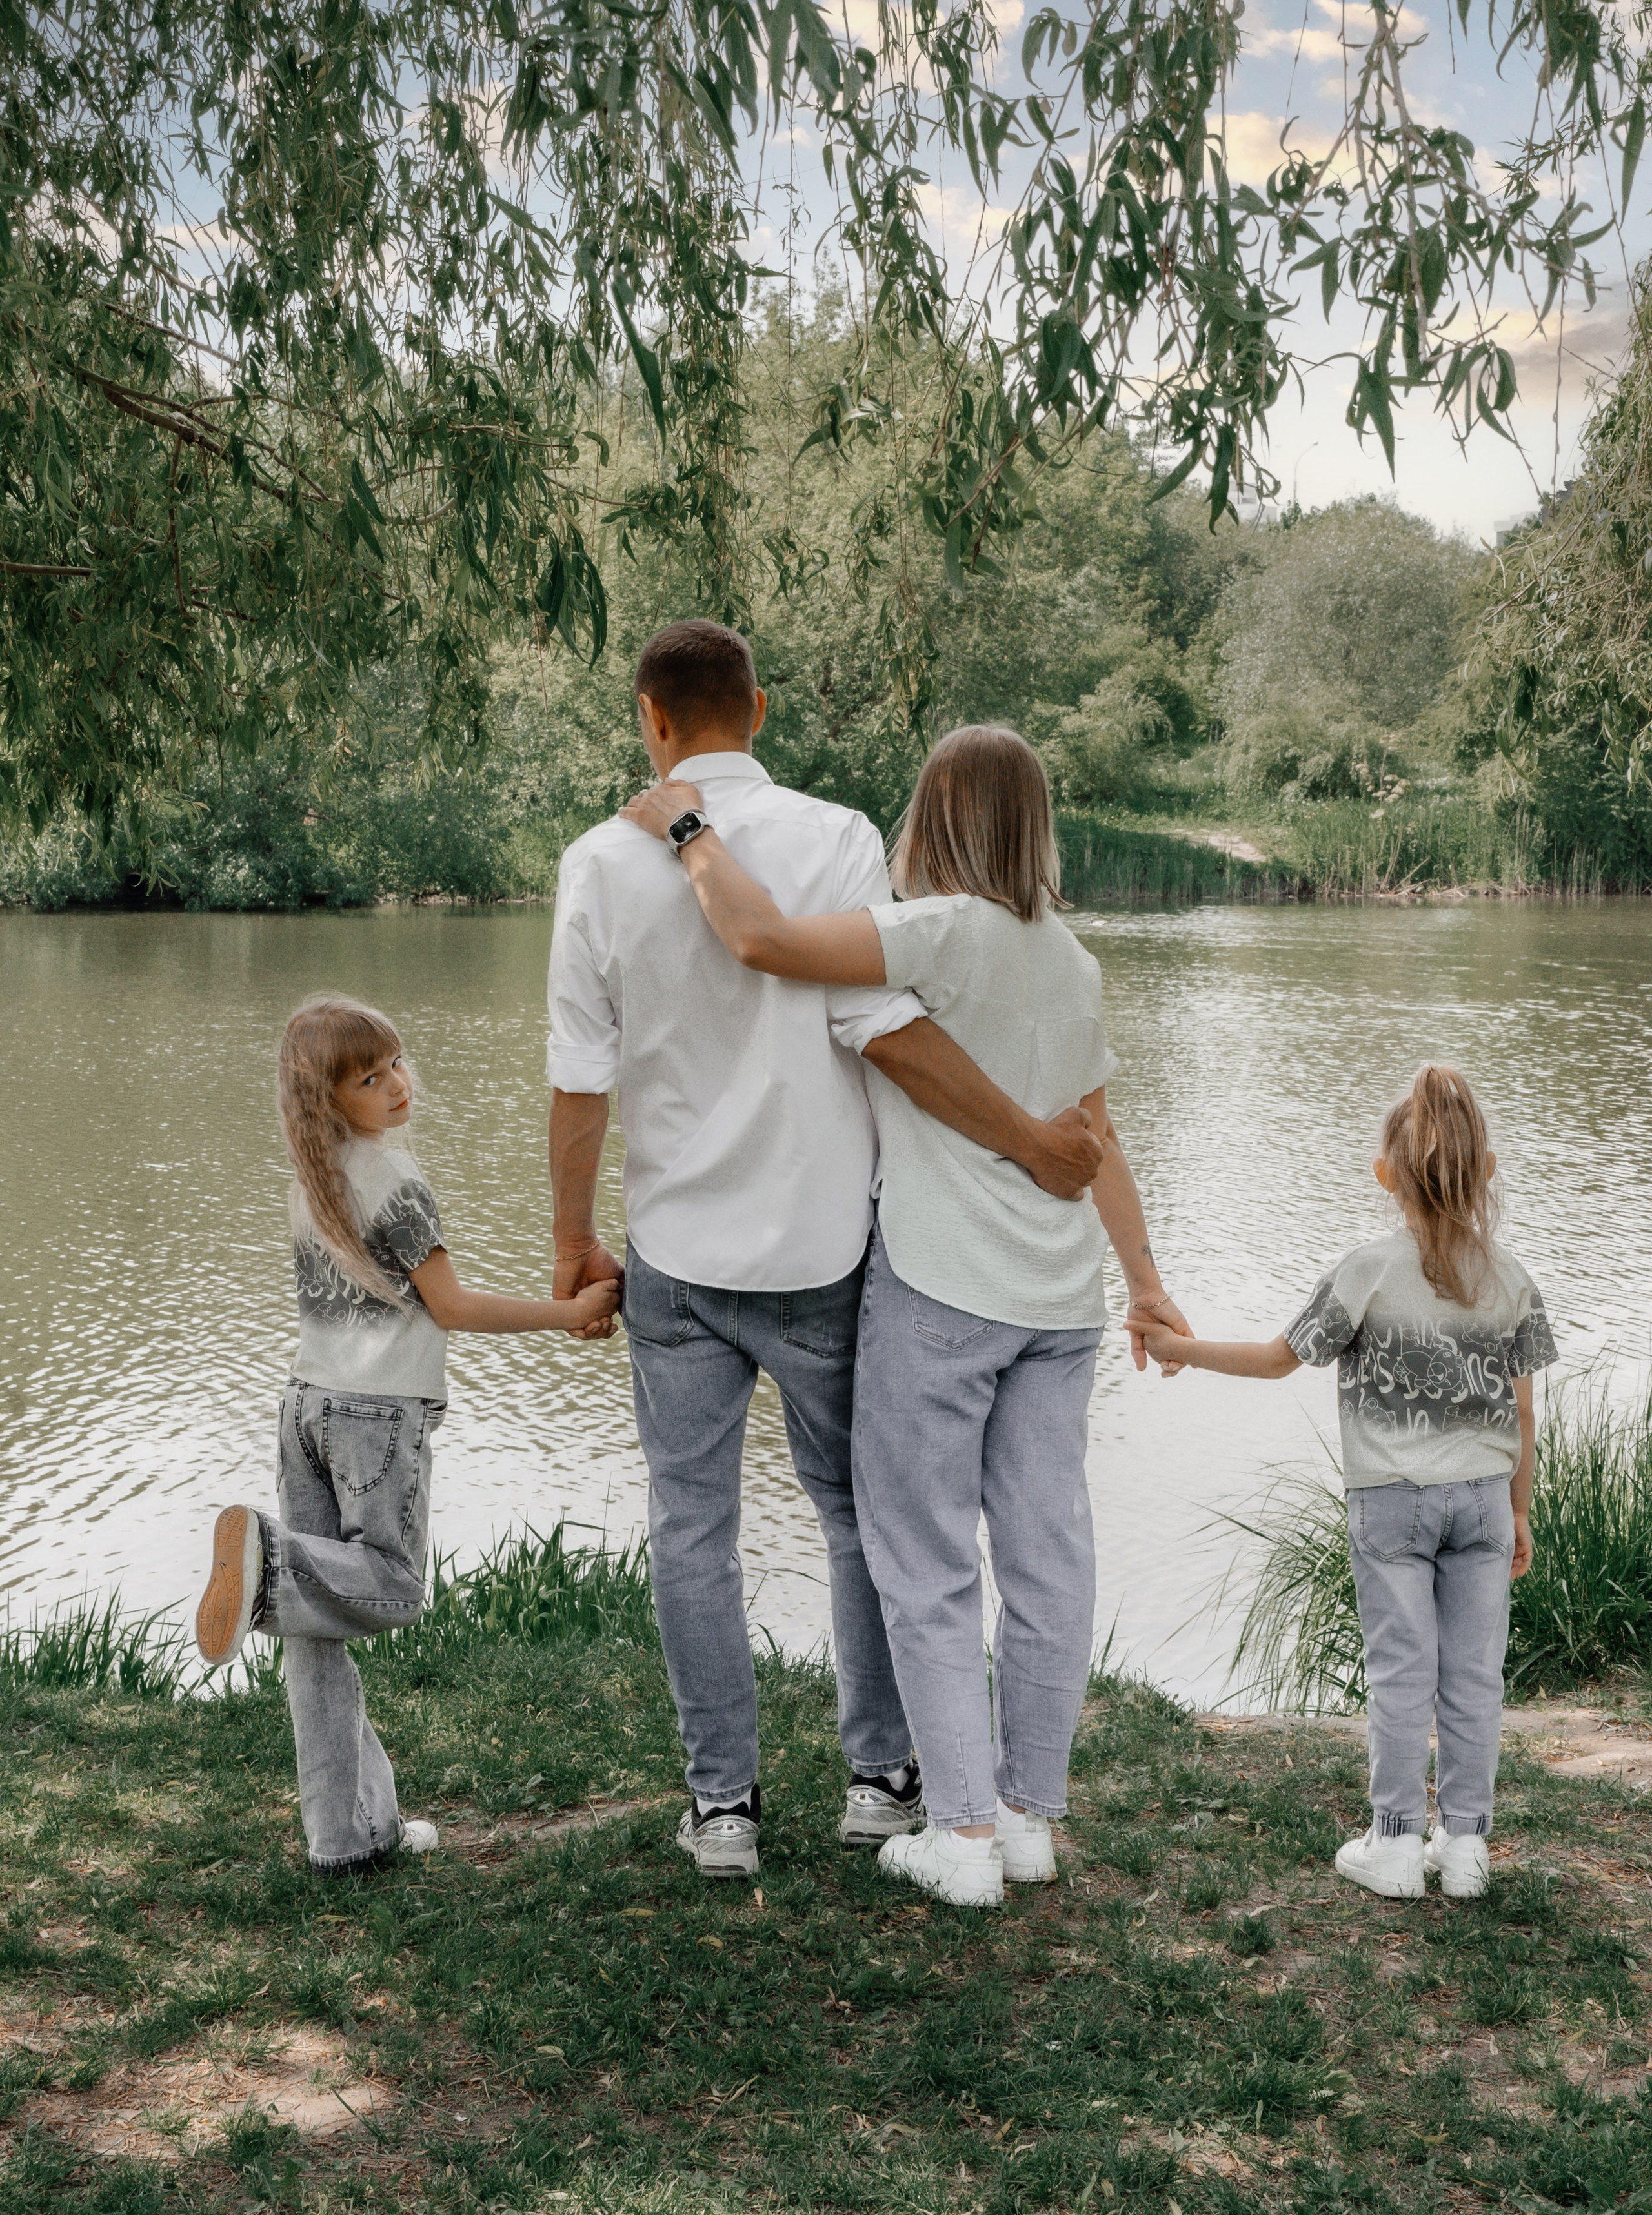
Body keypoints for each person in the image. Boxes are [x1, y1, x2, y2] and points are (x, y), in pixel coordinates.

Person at [549, 627, 1113, 1883]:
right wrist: (1028, 1141)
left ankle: (725, 1809)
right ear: (755, 705)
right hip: (825, 1250)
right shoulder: (842, 837)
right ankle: (878, 1781)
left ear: (650, 719)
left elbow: (580, 1081)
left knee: (691, 1527)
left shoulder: (595, 861)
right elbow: (885, 1033)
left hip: (676, 1259)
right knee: (861, 1518)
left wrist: (569, 1242)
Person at [193, 994, 619, 1877]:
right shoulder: (394, 1180)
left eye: (396, 1063)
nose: (396, 1084)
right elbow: (454, 1307)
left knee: (315, 1633)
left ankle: (345, 1837)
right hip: (375, 1416)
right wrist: (567, 1311)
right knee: (388, 1585)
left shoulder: (310, 1183)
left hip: (303, 1407)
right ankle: (268, 1560)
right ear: (328, 1096)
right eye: (369, 1076)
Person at [1136, 1064, 1556, 1902]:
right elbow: (1523, 1417)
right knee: (1474, 1674)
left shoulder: (1365, 1270)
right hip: (1481, 1500)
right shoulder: (1510, 1279)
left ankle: (1396, 1842)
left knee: (1403, 1671)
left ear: (1384, 1174)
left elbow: (1274, 1358)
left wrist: (1180, 1348)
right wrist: (1519, 1511)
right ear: (1487, 1169)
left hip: (1391, 1501)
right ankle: (1466, 1845)